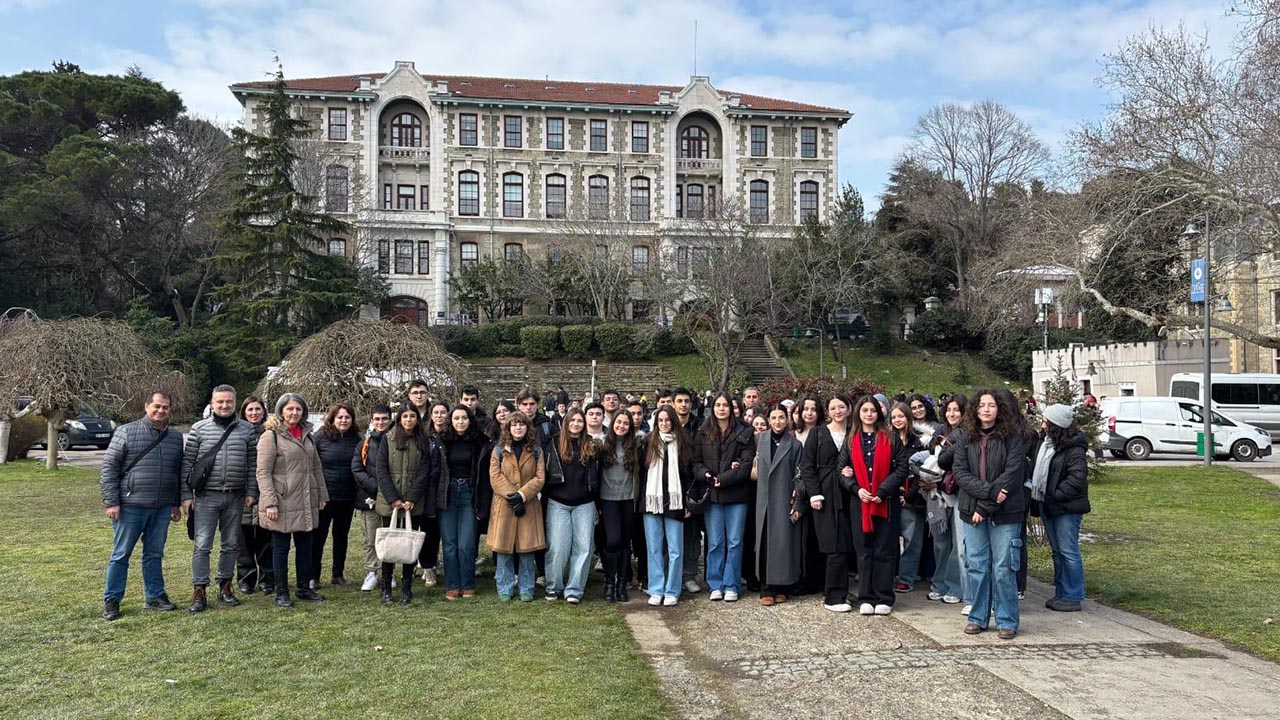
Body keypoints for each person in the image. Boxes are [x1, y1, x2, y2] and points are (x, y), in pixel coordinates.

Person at [100, 390, 186, 621]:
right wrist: (112, 502)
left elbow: (176, 473)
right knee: (121, 555)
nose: (160, 411)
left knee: (154, 553)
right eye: (156, 406)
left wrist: (175, 504)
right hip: (130, 505)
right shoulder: (126, 431)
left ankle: (155, 596)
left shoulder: (176, 438)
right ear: (146, 406)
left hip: (161, 507)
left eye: (165, 407)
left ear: (170, 410)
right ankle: (112, 600)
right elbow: (109, 468)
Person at [954, 389, 1027, 639]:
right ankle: (978, 616)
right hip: (972, 511)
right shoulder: (965, 438)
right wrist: (986, 495)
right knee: (977, 565)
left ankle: (1007, 619)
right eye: (982, 405)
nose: (986, 409)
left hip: (1005, 512)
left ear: (999, 409)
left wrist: (986, 507)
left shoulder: (1013, 437)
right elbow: (961, 474)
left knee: (1003, 566)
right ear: (975, 410)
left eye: (991, 405)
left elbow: (1014, 474)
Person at [181, 384, 259, 613]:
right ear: (212, 403)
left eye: (229, 402)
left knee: (230, 545)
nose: (224, 406)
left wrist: (252, 491)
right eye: (220, 402)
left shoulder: (246, 430)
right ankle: (199, 589)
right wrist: (186, 495)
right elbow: (187, 464)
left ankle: (226, 585)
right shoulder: (198, 429)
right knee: (202, 545)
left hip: (235, 496)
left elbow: (252, 464)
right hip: (206, 497)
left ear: (235, 403)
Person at [256, 393, 329, 607]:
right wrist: (270, 501)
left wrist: (322, 495)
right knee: (280, 549)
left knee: (305, 547)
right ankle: (282, 592)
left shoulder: (307, 435)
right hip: (282, 501)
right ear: (281, 411)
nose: (294, 413)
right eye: (290, 409)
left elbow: (316, 467)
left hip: (306, 499)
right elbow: (263, 472)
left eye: (298, 409)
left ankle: (303, 588)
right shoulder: (271, 436)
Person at [841, 397, 909, 615]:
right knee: (864, 551)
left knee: (885, 550)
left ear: (879, 414)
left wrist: (882, 491)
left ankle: (884, 597)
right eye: (864, 410)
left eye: (872, 410)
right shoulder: (851, 439)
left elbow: (902, 467)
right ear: (858, 413)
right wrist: (855, 488)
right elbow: (840, 469)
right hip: (859, 503)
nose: (869, 414)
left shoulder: (890, 437)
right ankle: (866, 597)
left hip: (885, 502)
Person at [694, 392, 757, 603]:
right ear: (712, 408)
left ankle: (732, 584)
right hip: (712, 495)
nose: (722, 409)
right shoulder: (703, 431)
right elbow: (695, 462)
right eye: (718, 405)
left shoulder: (745, 431)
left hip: (736, 494)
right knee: (715, 543)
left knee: (735, 541)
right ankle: (715, 583)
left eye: (725, 405)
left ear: (731, 408)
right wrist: (706, 475)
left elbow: (747, 465)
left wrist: (725, 478)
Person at [374, 402, 436, 604]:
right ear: (399, 419)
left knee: (410, 546)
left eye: (412, 416)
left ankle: (407, 587)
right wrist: (394, 499)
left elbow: (424, 472)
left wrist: (411, 498)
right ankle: (386, 588)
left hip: (413, 502)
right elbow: (381, 470)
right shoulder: (388, 439)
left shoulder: (423, 440)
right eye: (405, 416)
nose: (409, 420)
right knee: (389, 544)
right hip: (390, 501)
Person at [1032, 404, 1090, 612]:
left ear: (1056, 424)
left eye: (1046, 421)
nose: (1042, 424)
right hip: (1048, 504)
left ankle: (1073, 595)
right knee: (1057, 551)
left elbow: (1076, 479)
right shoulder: (1047, 445)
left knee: (1068, 550)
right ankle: (1061, 592)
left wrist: (1055, 495)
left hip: (1066, 508)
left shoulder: (1074, 449)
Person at [800, 393, 855, 612]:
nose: (838, 411)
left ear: (849, 409)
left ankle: (841, 591)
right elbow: (807, 465)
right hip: (824, 494)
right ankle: (833, 597)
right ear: (828, 412)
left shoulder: (854, 433)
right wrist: (814, 494)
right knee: (833, 546)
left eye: (841, 407)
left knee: (847, 545)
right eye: (833, 408)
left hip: (849, 493)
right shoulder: (818, 433)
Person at [543, 408, 601, 604]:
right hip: (558, 502)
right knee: (558, 547)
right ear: (566, 422)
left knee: (583, 548)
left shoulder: (591, 445)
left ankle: (575, 589)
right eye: (572, 420)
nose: (576, 424)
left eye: (579, 420)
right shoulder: (554, 443)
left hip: (584, 503)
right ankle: (554, 586)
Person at [488, 411, 547, 602]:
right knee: (504, 548)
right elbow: (495, 476)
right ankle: (504, 587)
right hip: (504, 505)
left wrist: (522, 495)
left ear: (527, 427)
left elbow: (539, 478)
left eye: (521, 424)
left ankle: (527, 588)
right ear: (508, 428)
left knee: (527, 549)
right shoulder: (499, 450)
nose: (518, 428)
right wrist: (511, 496)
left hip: (529, 505)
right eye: (514, 425)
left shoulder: (536, 451)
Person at [641, 407, 693, 606]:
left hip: (675, 501)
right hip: (652, 500)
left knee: (675, 549)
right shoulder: (648, 442)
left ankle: (672, 589)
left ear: (673, 422)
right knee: (653, 548)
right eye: (660, 420)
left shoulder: (683, 443)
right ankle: (656, 588)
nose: (664, 423)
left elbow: (688, 474)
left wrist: (688, 502)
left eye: (667, 420)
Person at [438, 405, 490, 599]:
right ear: (451, 420)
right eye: (457, 418)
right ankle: (452, 585)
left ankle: (467, 584)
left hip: (470, 493)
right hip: (448, 494)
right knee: (450, 543)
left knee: (466, 544)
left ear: (470, 420)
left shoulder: (480, 442)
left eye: (464, 418)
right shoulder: (443, 441)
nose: (460, 422)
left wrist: (483, 505)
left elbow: (484, 477)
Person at [753, 404, 803, 606]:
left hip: (784, 498)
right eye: (773, 417)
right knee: (764, 542)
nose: (777, 422)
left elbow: (800, 475)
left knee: (783, 545)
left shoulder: (795, 445)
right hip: (764, 500)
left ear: (787, 419)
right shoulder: (760, 440)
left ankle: (782, 586)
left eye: (781, 417)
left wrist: (798, 500)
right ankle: (766, 587)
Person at [310, 403, 361, 589]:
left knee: (341, 537)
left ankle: (337, 574)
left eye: (347, 417)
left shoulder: (356, 438)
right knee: (318, 538)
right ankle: (313, 575)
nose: (344, 420)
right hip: (324, 497)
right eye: (340, 417)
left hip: (347, 497)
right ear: (332, 418)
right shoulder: (320, 437)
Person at [927, 395, 966, 605]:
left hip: (958, 492)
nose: (952, 414)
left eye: (957, 410)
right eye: (949, 409)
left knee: (958, 543)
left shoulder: (967, 434)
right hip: (937, 494)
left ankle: (955, 585)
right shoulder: (939, 433)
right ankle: (939, 583)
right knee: (940, 541)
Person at [351, 404, 393, 592]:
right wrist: (375, 488)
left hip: (391, 498)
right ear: (371, 421)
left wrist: (389, 492)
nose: (381, 422)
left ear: (390, 420)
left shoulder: (395, 441)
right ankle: (371, 572)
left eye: (384, 419)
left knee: (389, 536)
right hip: (369, 496)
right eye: (377, 419)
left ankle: (388, 573)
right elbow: (357, 468)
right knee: (371, 537)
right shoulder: (364, 443)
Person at [600, 410, 641, 602]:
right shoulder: (602, 445)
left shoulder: (636, 445)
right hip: (608, 498)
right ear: (612, 424)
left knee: (625, 542)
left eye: (625, 423)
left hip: (629, 497)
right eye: (618, 422)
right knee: (613, 541)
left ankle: (621, 584)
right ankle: (609, 582)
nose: (621, 426)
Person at [235, 396, 274, 596]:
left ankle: (268, 579)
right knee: (243, 541)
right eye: (250, 410)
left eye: (257, 409)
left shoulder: (272, 433)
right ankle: (245, 578)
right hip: (242, 493)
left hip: (267, 493)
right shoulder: (235, 433)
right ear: (243, 412)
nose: (254, 413)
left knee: (267, 541)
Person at [888, 402, 927, 594]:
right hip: (891, 496)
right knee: (890, 538)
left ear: (908, 418)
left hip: (912, 498)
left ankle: (906, 577)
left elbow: (923, 473)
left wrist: (909, 496)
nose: (897, 420)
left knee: (912, 539)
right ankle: (891, 574)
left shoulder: (919, 441)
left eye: (901, 416)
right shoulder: (887, 440)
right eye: (894, 417)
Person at [417, 400, 451, 589]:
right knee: (428, 531)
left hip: (447, 489)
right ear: (431, 415)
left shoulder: (452, 435)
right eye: (436, 412)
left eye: (443, 412)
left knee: (444, 531)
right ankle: (428, 567)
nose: (439, 416)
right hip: (428, 490)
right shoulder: (424, 436)